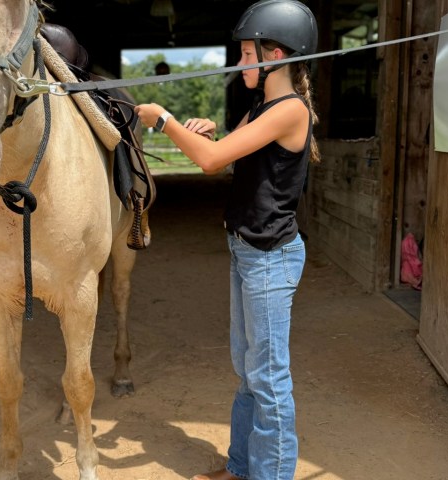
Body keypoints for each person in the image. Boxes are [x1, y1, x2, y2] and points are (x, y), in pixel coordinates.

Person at [134, 1, 320, 479]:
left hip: (269, 258)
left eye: (245, 54)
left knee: (269, 379)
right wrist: (209, 130)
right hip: (247, 249)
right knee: (249, 373)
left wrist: (163, 121)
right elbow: (224, 148)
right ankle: (241, 469)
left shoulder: (291, 109)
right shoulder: (264, 106)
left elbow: (211, 163)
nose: (240, 64)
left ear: (273, 54)